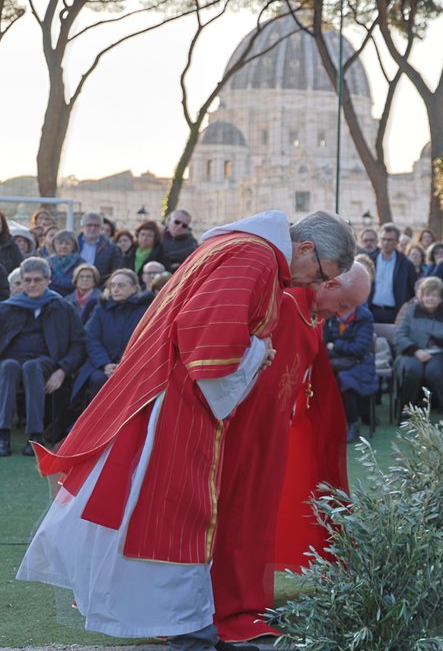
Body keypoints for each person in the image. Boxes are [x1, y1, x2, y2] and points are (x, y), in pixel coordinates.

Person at [17, 209, 354, 651]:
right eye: (319, 274)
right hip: (176, 400)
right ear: (306, 247)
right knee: (176, 514)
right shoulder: (253, 257)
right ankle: (186, 629)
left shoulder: (238, 247)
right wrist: (258, 354)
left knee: (159, 510)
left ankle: (186, 623)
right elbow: (207, 346)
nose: (309, 284)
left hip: (167, 390)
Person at [211, 263, 370, 643]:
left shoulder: (311, 314)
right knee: (234, 517)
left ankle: (247, 600)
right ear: (329, 283)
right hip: (239, 432)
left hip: (272, 431)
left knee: (257, 518)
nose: (344, 315)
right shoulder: (277, 304)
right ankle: (223, 604)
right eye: (344, 303)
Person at [0, 257, 88, 455]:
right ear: (21, 282)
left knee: (32, 367)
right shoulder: (7, 308)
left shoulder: (63, 307)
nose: (32, 285)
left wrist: (62, 371)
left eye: (37, 280)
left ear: (48, 280)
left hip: (46, 362)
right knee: (9, 367)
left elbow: (79, 344)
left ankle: (35, 437)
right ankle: (3, 435)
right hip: (10, 361)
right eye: (27, 280)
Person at [393, 276, 443, 429]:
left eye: (434, 295)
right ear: (421, 295)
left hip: (439, 352)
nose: (430, 298)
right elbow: (400, 336)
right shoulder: (410, 312)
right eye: (427, 294)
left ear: (441, 298)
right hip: (412, 352)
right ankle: (406, 415)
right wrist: (416, 351)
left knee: (433, 373)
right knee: (414, 371)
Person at [71, 269, 150, 410]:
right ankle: (95, 420)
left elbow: (145, 342)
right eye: (112, 285)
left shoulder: (144, 311)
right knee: (98, 379)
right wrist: (105, 364)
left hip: (132, 365)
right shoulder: (100, 309)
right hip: (101, 365)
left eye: (121, 285)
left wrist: (123, 364)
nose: (115, 289)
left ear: (135, 288)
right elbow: (91, 338)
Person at [324, 292, 377, 444]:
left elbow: (360, 349)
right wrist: (334, 347)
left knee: (346, 380)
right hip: (336, 361)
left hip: (360, 363)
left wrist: (335, 346)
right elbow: (323, 342)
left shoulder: (365, 316)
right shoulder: (331, 314)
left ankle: (353, 424)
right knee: (323, 377)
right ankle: (328, 423)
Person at [366, 222, 418, 324]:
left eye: (390, 240)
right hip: (372, 310)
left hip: (396, 313)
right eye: (383, 239)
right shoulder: (370, 260)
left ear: (397, 242)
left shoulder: (406, 264)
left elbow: (413, 290)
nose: (386, 243)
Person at [77, 212, 122, 284]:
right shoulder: (73, 245)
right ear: (82, 227)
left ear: (101, 228)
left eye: (96, 226)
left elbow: (115, 273)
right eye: (89, 225)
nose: (92, 228)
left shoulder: (112, 249)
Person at [46, 229, 83, 296]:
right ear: (54, 245)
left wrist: (53, 279)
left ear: (74, 246)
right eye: (60, 243)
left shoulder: (81, 263)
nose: (63, 246)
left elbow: (74, 284)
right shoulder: (46, 263)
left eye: (67, 243)